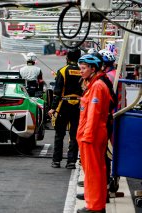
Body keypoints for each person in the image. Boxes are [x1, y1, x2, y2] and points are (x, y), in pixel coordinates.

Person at [76, 54, 117, 213]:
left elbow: (93, 113)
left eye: (84, 68)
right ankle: (96, 204)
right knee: (96, 170)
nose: (81, 71)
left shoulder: (97, 86)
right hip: (91, 133)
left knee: (93, 172)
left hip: (91, 135)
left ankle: (94, 207)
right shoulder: (94, 84)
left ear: (93, 69)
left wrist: (87, 136)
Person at [48, 48, 82, 169]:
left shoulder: (62, 71)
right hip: (78, 106)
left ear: (67, 58)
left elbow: (57, 92)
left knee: (59, 134)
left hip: (63, 105)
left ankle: (56, 161)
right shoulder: (83, 71)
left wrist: (53, 108)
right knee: (74, 135)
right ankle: (71, 161)